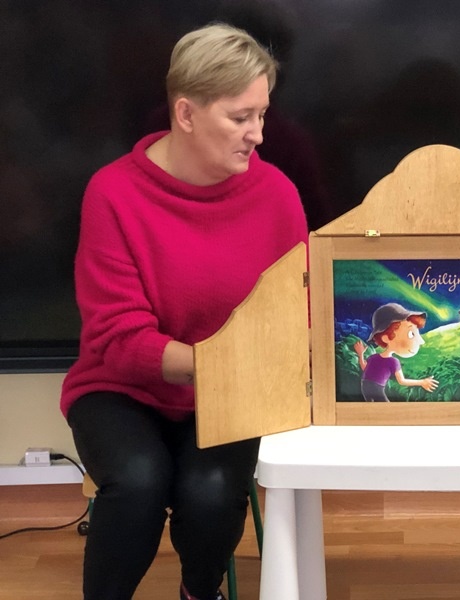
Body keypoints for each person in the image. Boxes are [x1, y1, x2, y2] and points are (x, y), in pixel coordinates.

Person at [60, 23, 308, 600]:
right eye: (240, 117)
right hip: (120, 389)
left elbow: (299, 313)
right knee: (138, 483)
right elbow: (119, 339)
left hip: (231, 392)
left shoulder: (277, 195)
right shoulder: (113, 193)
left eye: (262, 115)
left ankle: (200, 591)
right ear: (186, 114)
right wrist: (222, 362)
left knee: (210, 492)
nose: (258, 135)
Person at [353, 303, 438, 402]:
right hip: (377, 388)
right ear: (386, 338)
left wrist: (360, 355)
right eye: (411, 334)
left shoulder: (374, 357)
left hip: (365, 386)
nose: (421, 341)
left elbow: (365, 368)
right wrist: (421, 382)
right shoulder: (393, 362)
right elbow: (402, 381)